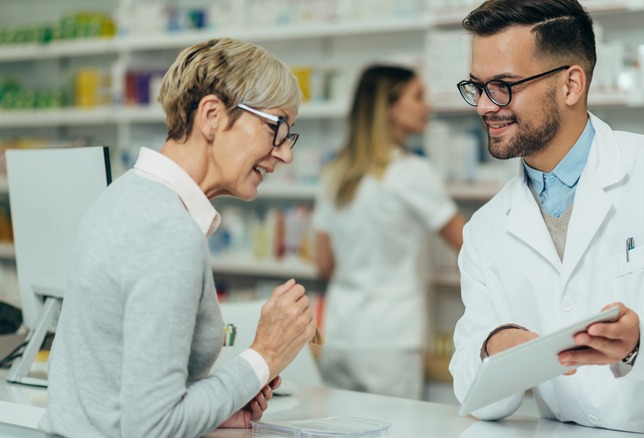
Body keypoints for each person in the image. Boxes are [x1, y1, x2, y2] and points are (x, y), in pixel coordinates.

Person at [448, 1, 644, 436]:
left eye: (504, 85)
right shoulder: (486, 229)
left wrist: (643, 338)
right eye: (477, 86)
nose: (485, 107)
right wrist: (494, 348)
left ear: (571, 84)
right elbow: (477, 398)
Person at [39, 38, 318, 437]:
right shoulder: (168, 230)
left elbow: (127, 395)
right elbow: (153, 427)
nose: (285, 154)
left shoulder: (125, 195)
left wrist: (215, 403)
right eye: (277, 128)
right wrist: (265, 355)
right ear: (212, 116)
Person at [313, 65, 466, 400]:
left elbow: (323, 264)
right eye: (417, 96)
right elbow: (469, 244)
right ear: (389, 107)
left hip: (339, 335)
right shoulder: (411, 172)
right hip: (390, 341)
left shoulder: (334, 173)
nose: (427, 106)